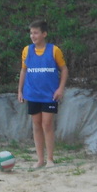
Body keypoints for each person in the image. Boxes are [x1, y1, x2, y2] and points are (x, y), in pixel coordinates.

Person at [17, 20, 68, 168]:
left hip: (49, 94)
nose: (33, 36)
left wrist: (60, 89)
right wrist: (20, 90)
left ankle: (50, 159)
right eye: (31, 33)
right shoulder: (27, 50)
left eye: (36, 33)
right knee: (36, 124)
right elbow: (24, 70)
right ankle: (40, 160)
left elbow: (64, 69)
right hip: (33, 93)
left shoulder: (54, 50)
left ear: (44, 34)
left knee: (47, 124)